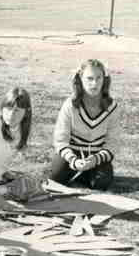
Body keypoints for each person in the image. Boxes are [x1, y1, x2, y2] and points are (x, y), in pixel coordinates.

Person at [48, 59, 120, 191]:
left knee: (102, 183)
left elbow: (113, 143)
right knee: (54, 179)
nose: (94, 83)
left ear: (104, 79)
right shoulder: (70, 105)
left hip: (97, 156)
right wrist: (73, 160)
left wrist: (95, 159)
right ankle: (79, 173)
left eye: (99, 78)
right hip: (72, 154)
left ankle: (85, 174)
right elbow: (60, 140)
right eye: (89, 78)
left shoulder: (112, 107)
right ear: (80, 79)